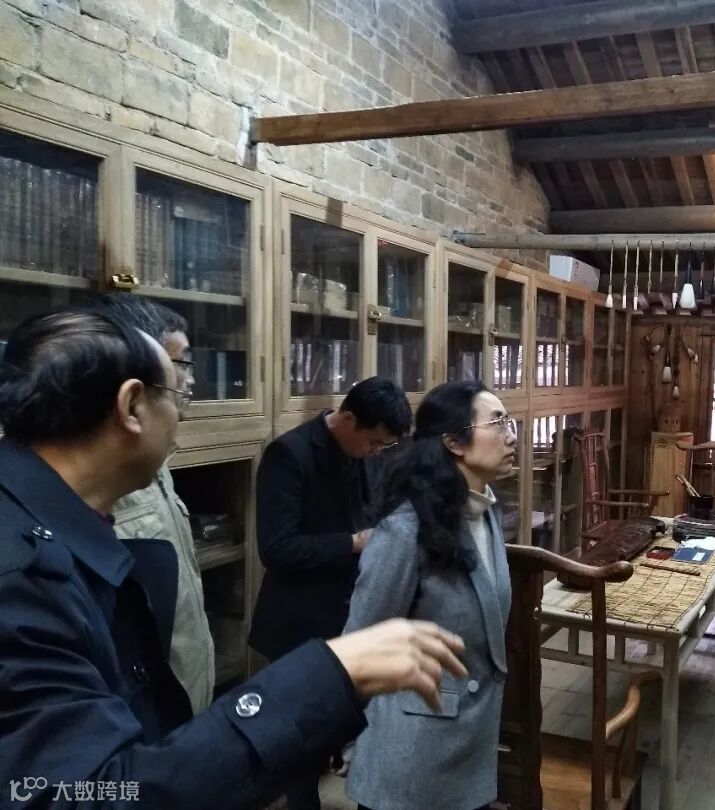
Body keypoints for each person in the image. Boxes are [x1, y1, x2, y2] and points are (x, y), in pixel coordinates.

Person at [0, 309, 466, 809]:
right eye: (177, 394)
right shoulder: (21, 575)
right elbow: (87, 792)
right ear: (132, 405)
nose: (185, 414)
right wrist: (329, 674)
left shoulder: (50, 521)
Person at [342, 380, 518, 810]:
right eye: (497, 423)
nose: (512, 436)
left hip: (468, 741)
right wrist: (349, 739)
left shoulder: (485, 512)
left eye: (510, 422)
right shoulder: (405, 531)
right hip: (411, 755)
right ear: (454, 442)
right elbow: (358, 644)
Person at [249, 376, 411, 809]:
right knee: (300, 735)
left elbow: (373, 508)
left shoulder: (367, 452)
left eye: (385, 446)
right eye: (374, 442)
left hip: (351, 609)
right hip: (300, 617)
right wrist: (354, 543)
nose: (377, 452)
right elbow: (276, 549)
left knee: (347, 720)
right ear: (349, 419)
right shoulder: (290, 454)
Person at [86, 293, 214, 714]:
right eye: (181, 364)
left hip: (183, 692)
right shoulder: (99, 481)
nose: (188, 380)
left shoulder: (154, 461)